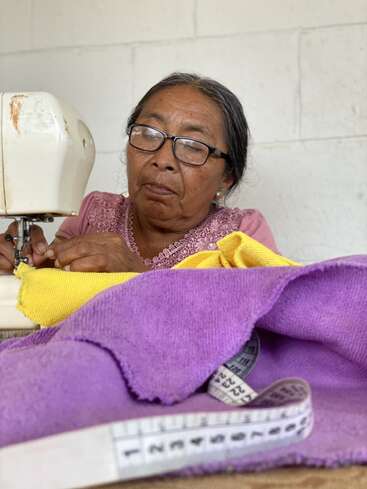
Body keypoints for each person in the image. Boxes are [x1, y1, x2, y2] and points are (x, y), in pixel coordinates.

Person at [0, 73, 278, 274]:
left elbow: (255, 332)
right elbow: (54, 300)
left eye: (193, 146)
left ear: (226, 176)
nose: (162, 159)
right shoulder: (93, 213)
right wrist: (33, 267)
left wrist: (136, 274)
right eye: (148, 134)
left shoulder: (243, 234)